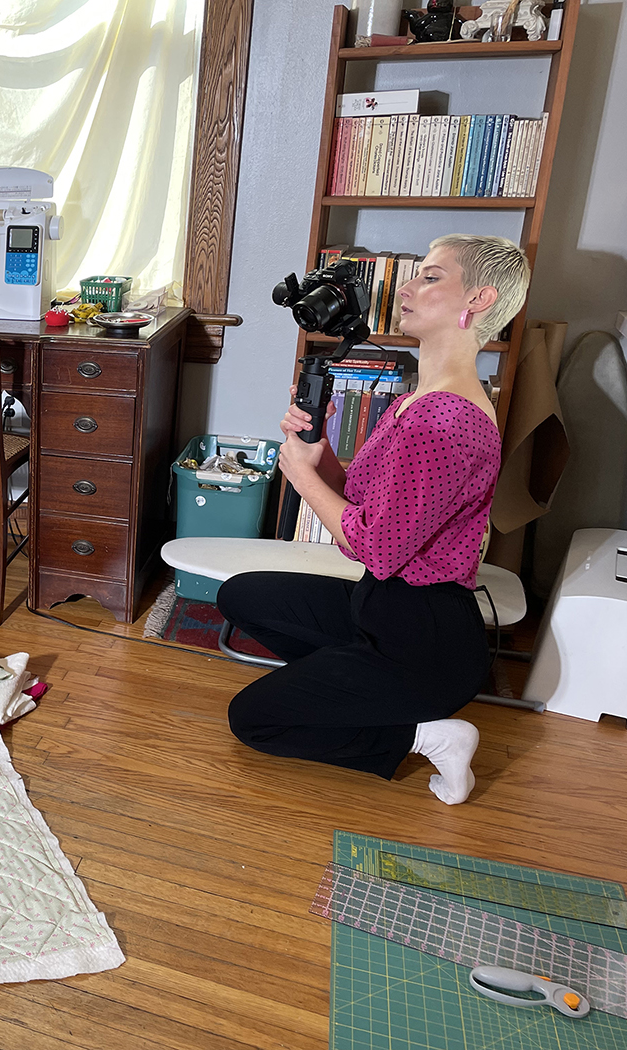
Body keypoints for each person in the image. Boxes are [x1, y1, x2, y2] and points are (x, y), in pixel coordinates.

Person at [216, 234, 531, 805]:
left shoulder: (446, 419)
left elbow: (377, 547)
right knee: (243, 596)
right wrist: (319, 452)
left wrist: (301, 477)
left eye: (431, 277)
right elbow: (360, 498)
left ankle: (425, 734)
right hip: (380, 607)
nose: (407, 288)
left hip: (423, 642)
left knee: (254, 720)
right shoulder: (420, 397)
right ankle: (356, 687)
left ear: (479, 299)